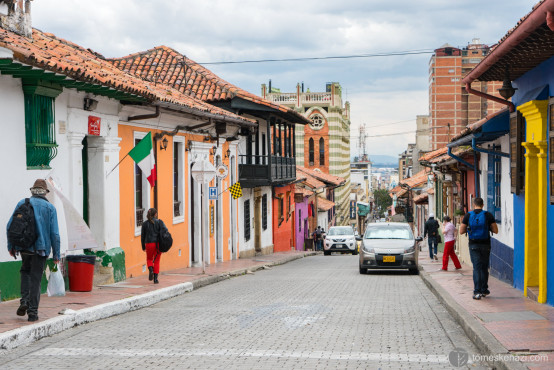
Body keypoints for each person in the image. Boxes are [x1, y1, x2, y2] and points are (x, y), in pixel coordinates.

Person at [7, 179, 60, 322]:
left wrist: (11, 246)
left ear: (32, 191)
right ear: (45, 192)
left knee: (25, 272)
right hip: (40, 249)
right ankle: (32, 312)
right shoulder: (50, 208)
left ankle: (24, 301)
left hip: (24, 247)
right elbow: (54, 234)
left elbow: (10, 226)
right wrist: (56, 254)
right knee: (36, 278)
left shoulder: (22, 203)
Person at [459, 198, 498, 300]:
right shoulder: (488, 215)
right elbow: (496, 230)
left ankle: (477, 291)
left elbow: (461, 231)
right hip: (485, 244)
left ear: (473, 204)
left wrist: (469, 228)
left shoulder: (468, 215)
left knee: (476, 268)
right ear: (483, 205)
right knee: (484, 267)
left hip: (473, 245)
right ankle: (484, 289)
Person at [141, 208, 166, 284]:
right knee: (157, 261)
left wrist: (143, 247)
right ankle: (155, 279)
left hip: (149, 244)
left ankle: (151, 269)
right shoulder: (159, 222)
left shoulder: (144, 224)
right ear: (155, 214)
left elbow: (142, 236)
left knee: (149, 259)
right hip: (158, 244)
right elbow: (164, 232)